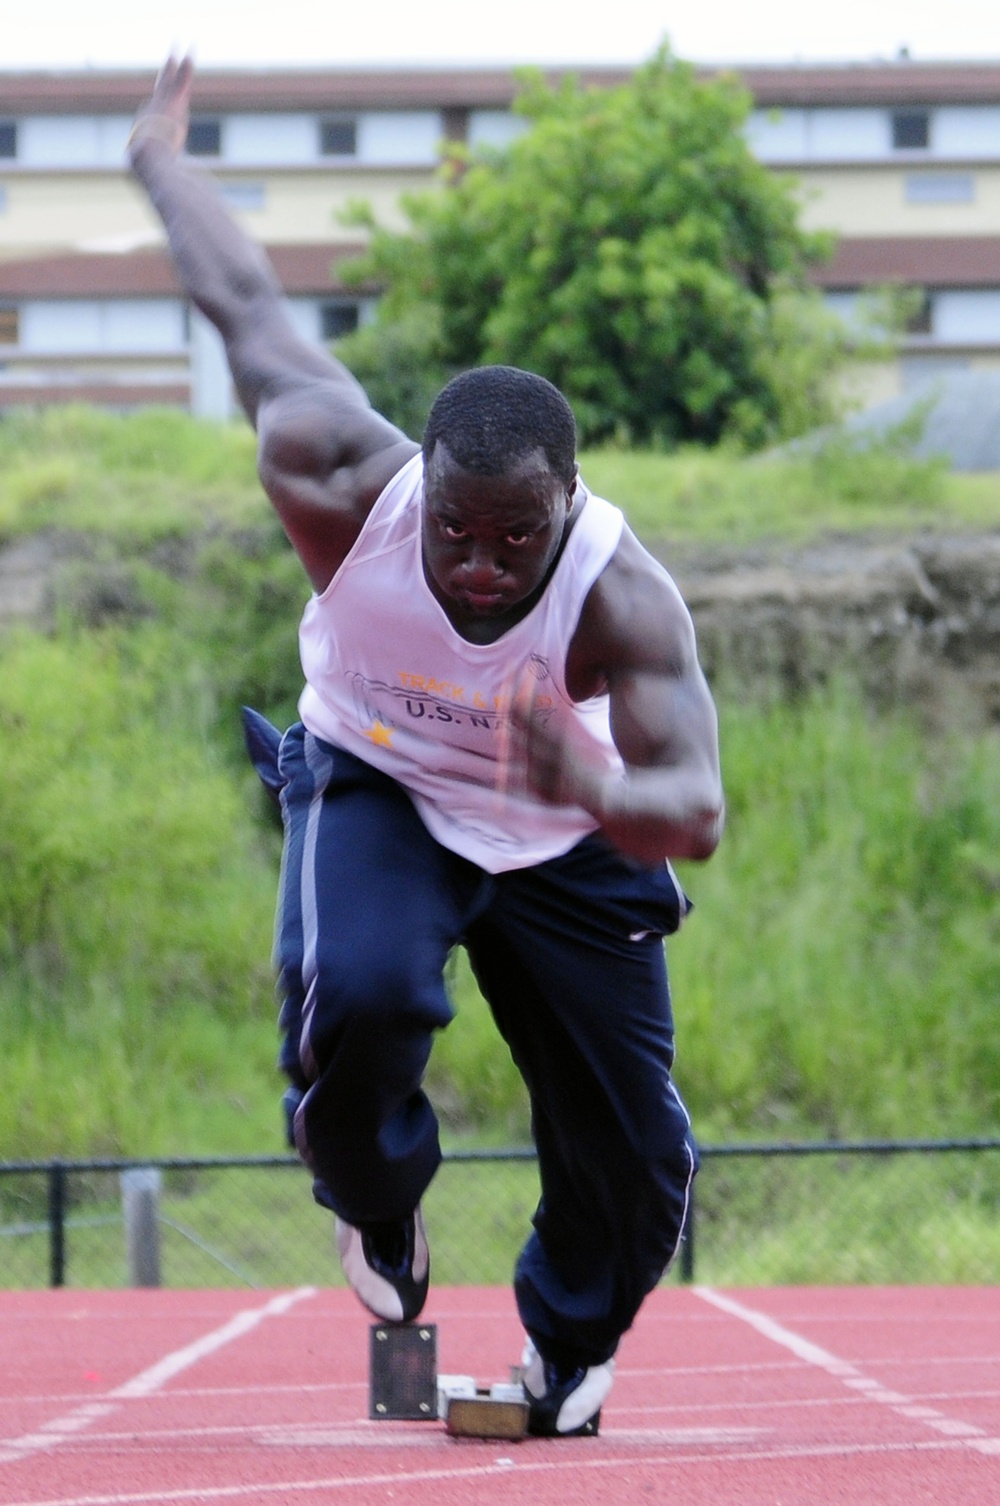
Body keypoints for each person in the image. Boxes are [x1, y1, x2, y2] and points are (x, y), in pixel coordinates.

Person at [128, 57, 724, 1439]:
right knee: (361, 996)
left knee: (639, 1155)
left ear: (572, 504)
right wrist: (159, 159)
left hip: (568, 822)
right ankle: (381, 1217)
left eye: (519, 537)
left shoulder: (623, 602)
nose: (477, 565)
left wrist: (592, 781)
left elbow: (692, 807)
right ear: (423, 493)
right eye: (456, 529)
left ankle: (567, 1344)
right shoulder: (337, 473)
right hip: (381, 770)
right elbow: (247, 306)